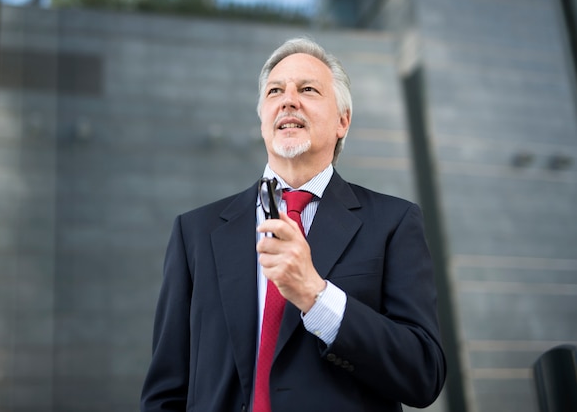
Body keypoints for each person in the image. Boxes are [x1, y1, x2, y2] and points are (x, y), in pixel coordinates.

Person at [140, 37, 446, 412]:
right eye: (274, 91)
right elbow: (166, 391)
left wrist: (316, 296)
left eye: (308, 89)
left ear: (342, 121)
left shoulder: (393, 223)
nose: (288, 99)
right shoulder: (195, 233)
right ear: (263, 118)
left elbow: (423, 373)